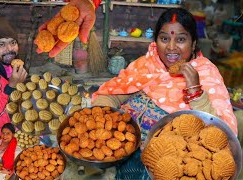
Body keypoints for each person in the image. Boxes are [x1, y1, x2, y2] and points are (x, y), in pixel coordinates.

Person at [92, 8, 237, 179]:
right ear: (156, 40)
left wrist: (195, 91)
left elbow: (221, 136)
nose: (171, 47)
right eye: (164, 38)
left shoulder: (206, 74)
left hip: (165, 170)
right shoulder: (146, 64)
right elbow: (111, 94)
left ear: (194, 43)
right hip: (122, 160)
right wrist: (104, 125)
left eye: (181, 39)